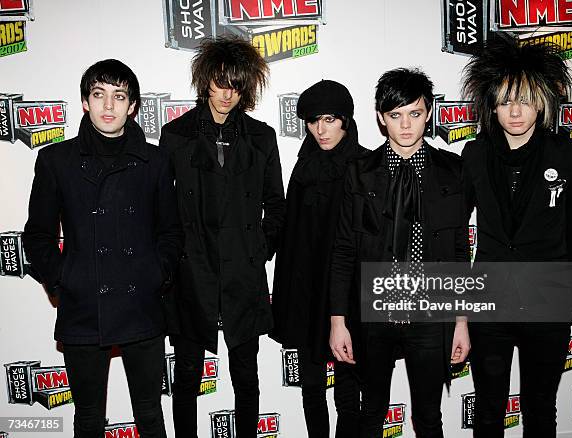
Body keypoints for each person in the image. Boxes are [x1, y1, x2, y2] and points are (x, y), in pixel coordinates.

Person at [23, 59, 183, 438]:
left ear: (132, 106)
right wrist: (63, 280)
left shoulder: (156, 161)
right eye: (99, 95)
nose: (108, 106)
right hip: (83, 304)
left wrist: (156, 273)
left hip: (141, 304)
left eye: (119, 96)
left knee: (149, 413)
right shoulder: (56, 161)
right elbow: (38, 236)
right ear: (84, 102)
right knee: (89, 417)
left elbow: (172, 232)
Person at [328, 68, 471, 438]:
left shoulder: (451, 171)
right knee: (371, 413)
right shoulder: (358, 173)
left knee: (429, 417)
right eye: (395, 115)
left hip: (430, 313)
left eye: (415, 113)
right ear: (380, 118)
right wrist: (338, 321)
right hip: (374, 312)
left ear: (428, 114)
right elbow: (344, 249)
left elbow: (459, 251)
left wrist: (461, 322)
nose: (406, 125)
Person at [461, 36, 572, 437]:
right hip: (490, 305)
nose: (515, 111)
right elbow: (449, 230)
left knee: (540, 412)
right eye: (504, 101)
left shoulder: (571, 155)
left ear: (542, 102)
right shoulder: (474, 154)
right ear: (490, 105)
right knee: (488, 413)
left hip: (547, 303)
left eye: (524, 99)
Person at [159, 36, 285, 438]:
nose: (227, 93)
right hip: (191, 274)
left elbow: (276, 205)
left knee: (246, 376)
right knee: (188, 377)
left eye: (236, 84)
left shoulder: (261, 137)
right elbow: (162, 208)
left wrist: (257, 248)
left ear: (245, 86)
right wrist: (177, 256)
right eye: (220, 82)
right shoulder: (175, 136)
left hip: (242, 276)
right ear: (205, 81)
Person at [271, 80, 365, 437]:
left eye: (329, 119)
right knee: (311, 387)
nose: (321, 129)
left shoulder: (366, 165)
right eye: (312, 121)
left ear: (345, 120)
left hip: (349, 294)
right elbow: (291, 239)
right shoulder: (303, 167)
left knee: (348, 391)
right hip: (307, 293)